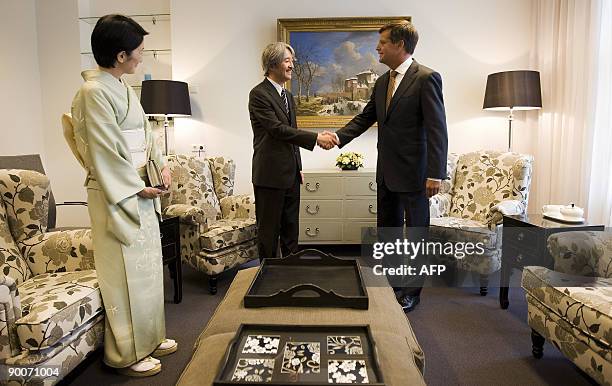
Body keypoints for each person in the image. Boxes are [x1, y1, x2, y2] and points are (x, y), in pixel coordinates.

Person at [69, 14, 177, 377]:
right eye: (139, 52)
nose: (141, 58)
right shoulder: (92, 92)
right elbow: (103, 152)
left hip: (139, 187)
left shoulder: (119, 88)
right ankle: (126, 354)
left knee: (146, 271)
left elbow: (144, 137)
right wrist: (135, 186)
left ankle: (149, 337)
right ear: (120, 56)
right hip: (117, 194)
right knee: (124, 275)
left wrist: (160, 165)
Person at [333, 21, 448, 312]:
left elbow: (438, 130)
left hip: (416, 175)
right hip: (386, 172)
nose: (377, 48)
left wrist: (436, 174)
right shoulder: (382, 82)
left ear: (399, 44)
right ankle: (393, 284)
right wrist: (337, 137)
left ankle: (412, 292)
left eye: (383, 42)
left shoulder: (427, 78)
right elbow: (365, 118)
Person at [249, 42, 338, 261]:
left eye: (292, 61)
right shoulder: (259, 94)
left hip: (290, 175)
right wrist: (317, 138)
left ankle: (290, 273)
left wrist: (298, 168)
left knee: (291, 229)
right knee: (269, 233)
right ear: (272, 64)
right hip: (269, 175)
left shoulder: (288, 97)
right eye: (287, 61)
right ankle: (268, 278)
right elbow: (278, 130)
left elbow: (292, 135)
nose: (292, 66)